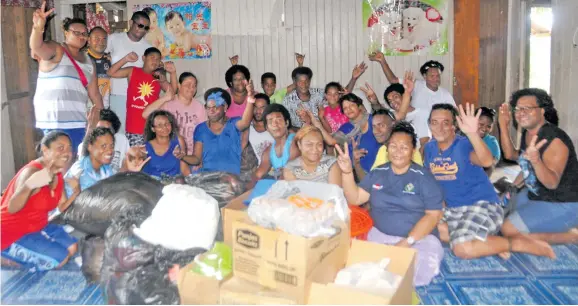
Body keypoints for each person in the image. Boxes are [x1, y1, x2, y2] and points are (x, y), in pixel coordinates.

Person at [425, 103, 555, 259]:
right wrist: (439, 208)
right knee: (429, 230)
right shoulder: (429, 148)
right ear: (429, 125)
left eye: (445, 123)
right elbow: (433, 182)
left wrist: (472, 133)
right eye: (434, 122)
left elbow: (487, 161)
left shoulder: (463, 145)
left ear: (454, 126)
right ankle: (490, 242)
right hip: (452, 210)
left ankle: (514, 243)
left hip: (481, 206)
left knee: (462, 249)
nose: (439, 128)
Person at [336, 122, 444, 286]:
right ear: (387, 149)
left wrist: (407, 242)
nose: (398, 152)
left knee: (417, 273)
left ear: (413, 150)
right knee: (356, 269)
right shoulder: (378, 173)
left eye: (404, 147)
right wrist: (346, 172)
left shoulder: (423, 177)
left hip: (418, 240)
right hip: (379, 236)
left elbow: (433, 215)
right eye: (393, 146)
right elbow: (355, 198)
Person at [498, 88, 578, 247]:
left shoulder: (555, 140)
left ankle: (570, 236)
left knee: (508, 230)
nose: (521, 113)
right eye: (518, 109)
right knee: (496, 215)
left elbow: (552, 183)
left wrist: (536, 161)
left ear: (542, 111)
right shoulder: (529, 133)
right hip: (537, 193)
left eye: (527, 108)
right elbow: (511, 155)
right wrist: (503, 125)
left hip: (562, 202)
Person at [30, 4, 104, 155]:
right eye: (76, 32)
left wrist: (103, 120)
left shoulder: (89, 61)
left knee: (76, 164)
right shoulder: (56, 50)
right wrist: (38, 28)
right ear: (65, 32)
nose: (81, 36)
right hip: (54, 121)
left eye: (84, 34)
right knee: (56, 163)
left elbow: (95, 94)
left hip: (79, 121)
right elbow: (36, 47)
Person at [1, 131, 79, 271]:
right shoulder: (32, 172)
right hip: (12, 231)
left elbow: (62, 207)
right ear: (45, 150)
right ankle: (5, 256)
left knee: (72, 248)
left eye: (69, 148)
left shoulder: (57, 172)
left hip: (37, 226)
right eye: (60, 148)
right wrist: (30, 184)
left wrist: (76, 192)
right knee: (59, 259)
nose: (67, 152)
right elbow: (12, 207)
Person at [107, 47, 175, 146]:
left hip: (154, 129)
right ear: (144, 58)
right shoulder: (133, 71)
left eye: (158, 59)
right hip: (134, 128)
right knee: (138, 160)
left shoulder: (157, 76)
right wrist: (126, 59)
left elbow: (171, 94)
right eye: (152, 57)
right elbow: (110, 72)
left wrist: (171, 74)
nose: (155, 61)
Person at [182, 84, 255, 175]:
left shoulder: (233, 123)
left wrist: (250, 98)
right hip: (206, 178)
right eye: (208, 107)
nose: (211, 111)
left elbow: (245, 122)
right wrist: (182, 156)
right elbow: (196, 159)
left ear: (224, 107)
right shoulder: (201, 128)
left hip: (230, 178)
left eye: (215, 107)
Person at [311, 93, 380, 178]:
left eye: (351, 105)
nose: (349, 109)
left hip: (379, 172)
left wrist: (376, 103)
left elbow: (390, 120)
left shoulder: (374, 120)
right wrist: (316, 123)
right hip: (357, 174)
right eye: (345, 108)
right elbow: (330, 141)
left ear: (359, 106)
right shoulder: (346, 128)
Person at [106, 11, 153, 133]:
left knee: (137, 134)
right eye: (140, 25)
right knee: (118, 133)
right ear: (131, 23)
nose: (142, 30)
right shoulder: (114, 39)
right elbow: (98, 54)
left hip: (139, 98)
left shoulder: (148, 47)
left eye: (146, 28)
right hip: (117, 94)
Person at [282, 63, 367, 128]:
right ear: (294, 81)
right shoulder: (287, 101)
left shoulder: (318, 93)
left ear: (310, 81)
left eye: (306, 81)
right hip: (301, 135)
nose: (304, 84)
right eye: (300, 81)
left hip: (323, 133)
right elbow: (286, 126)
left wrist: (353, 78)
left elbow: (340, 94)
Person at [143, 72, 207, 157]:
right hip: (170, 154)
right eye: (187, 84)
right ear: (179, 86)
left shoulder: (199, 107)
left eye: (194, 85)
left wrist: (199, 157)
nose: (191, 88)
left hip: (192, 156)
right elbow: (145, 114)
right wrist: (165, 98)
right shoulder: (169, 104)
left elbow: (204, 133)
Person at [369, 51, 455, 111]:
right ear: (424, 76)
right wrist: (382, 61)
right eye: (432, 76)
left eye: (437, 76)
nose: (435, 79)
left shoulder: (445, 94)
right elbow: (393, 80)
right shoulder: (415, 84)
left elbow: (455, 113)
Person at [250, 104, 300, 185]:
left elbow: (288, 172)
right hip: (282, 186)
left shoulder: (295, 141)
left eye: (279, 120)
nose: (275, 124)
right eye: (270, 121)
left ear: (286, 123)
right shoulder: (268, 151)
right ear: (266, 127)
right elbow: (258, 175)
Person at [229, 53, 302, 104]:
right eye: (266, 84)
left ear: (275, 85)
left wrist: (300, 65)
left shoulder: (280, 93)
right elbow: (240, 86)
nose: (269, 87)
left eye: (272, 84)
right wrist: (234, 66)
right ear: (262, 85)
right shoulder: (258, 96)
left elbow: (297, 83)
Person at [142, 110, 191, 179]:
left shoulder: (179, 140)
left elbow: (184, 167)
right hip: (153, 185)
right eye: (160, 125)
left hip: (174, 185)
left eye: (167, 124)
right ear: (153, 128)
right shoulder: (145, 148)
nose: (165, 127)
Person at [78, 109, 130, 173]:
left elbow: (127, 167)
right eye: (99, 130)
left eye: (107, 130)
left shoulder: (122, 140)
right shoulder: (84, 146)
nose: (104, 135)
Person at [86, 26, 111, 109]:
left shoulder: (110, 60)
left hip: (106, 107)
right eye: (97, 38)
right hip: (87, 107)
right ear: (89, 40)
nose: (101, 42)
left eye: (104, 39)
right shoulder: (82, 59)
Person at [248, 93, 274, 165]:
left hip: (274, 171)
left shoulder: (276, 127)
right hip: (252, 171)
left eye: (262, 108)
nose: (258, 111)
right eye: (255, 107)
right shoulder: (246, 128)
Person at [476, 106, 500, 176]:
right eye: (481, 124)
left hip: (481, 173)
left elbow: (493, 162)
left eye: (488, 126)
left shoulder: (492, 141)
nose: (484, 129)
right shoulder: (465, 137)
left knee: (490, 165)